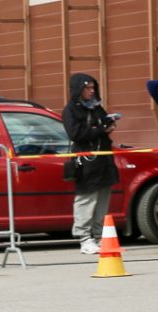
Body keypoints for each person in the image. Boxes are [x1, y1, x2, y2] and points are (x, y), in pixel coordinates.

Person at [62, 73, 119, 255]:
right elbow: (76, 134)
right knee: (86, 199)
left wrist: (108, 123)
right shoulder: (71, 110)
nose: (91, 91)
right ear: (78, 89)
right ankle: (84, 238)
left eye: (93, 88)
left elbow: (101, 125)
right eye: (88, 88)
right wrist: (101, 129)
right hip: (86, 161)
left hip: (104, 159)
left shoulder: (96, 107)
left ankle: (99, 235)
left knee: (103, 198)